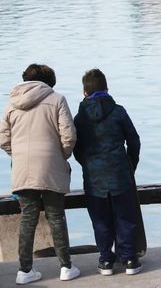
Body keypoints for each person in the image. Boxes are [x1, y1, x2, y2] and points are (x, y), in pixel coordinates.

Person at [0, 64, 81, 285]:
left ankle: (24, 270)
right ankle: (66, 267)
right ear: (48, 82)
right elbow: (69, 135)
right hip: (51, 167)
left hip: (22, 170)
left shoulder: (12, 104)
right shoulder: (57, 99)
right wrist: (61, 155)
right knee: (56, 216)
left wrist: (17, 156)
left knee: (28, 219)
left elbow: (3, 139)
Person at [73, 69, 143, 276]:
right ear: (106, 89)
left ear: (84, 92)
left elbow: (76, 147)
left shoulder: (80, 118)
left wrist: (87, 164)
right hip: (120, 173)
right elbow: (134, 140)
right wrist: (131, 164)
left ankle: (105, 260)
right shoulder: (118, 111)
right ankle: (130, 259)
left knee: (100, 219)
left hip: (94, 178)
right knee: (125, 217)